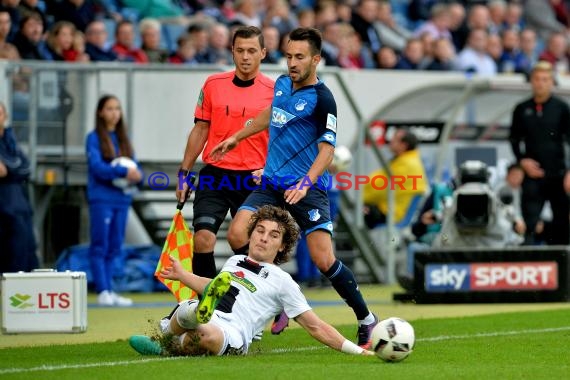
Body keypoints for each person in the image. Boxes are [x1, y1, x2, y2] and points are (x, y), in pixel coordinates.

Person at [209, 27, 378, 349]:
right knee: (237, 235)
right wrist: (237, 136)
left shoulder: (323, 99)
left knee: (323, 259)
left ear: (316, 59)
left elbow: (328, 150)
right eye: (288, 56)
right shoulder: (282, 84)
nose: (292, 63)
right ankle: (273, 296)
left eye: (299, 57)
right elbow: (271, 115)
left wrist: (304, 183)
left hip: (307, 188)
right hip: (273, 183)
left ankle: (366, 318)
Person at [128, 205, 375, 357]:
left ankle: (168, 340)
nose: (264, 238)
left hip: (234, 334)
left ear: (281, 247)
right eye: (260, 230)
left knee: (205, 335)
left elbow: (315, 326)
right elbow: (215, 288)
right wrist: (183, 275)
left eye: (273, 235)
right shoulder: (234, 261)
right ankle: (173, 334)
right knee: (192, 308)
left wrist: (357, 351)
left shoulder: (283, 281)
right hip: (212, 316)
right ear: (252, 233)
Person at [176, 25, 274, 280]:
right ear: (231, 51)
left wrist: (271, 170)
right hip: (215, 176)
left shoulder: (274, 92)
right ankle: (203, 306)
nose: (245, 56)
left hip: (253, 179)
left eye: (252, 50)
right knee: (203, 238)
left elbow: (281, 140)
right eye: (240, 50)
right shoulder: (213, 84)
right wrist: (184, 172)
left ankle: (268, 295)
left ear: (263, 53)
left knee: (243, 242)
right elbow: (200, 130)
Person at [86, 95, 143, 306]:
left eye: (117, 108)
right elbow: (97, 168)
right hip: (102, 199)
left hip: (122, 199)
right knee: (100, 245)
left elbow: (136, 168)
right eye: (109, 109)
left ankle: (110, 289)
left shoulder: (123, 138)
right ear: (101, 112)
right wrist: (122, 170)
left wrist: (139, 175)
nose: (114, 113)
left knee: (115, 246)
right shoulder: (93, 138)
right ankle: (102, 290)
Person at [509, 60, 570, 245]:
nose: (541, 83)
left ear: (551, 82)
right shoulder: (522, 109)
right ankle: (527, 265)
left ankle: (562, 267)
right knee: (529, 223)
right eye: (537, 79)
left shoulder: (561, 108)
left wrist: (569, 172)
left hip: (558, 175)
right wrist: (522, 162)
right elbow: (514, 139)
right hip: (532, 175)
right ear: (532, 81)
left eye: (545, 79)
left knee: (561, 224)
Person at [362, 128, 428, 229]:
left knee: (352, 216)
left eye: (394, 139)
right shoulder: (406, 161)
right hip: (390, 209)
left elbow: (379, 189)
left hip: (391, 213)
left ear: (404, 145)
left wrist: (360, 198)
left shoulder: (406, 164)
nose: (390, 141)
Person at [0, 101, 39, 274]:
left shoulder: (10, 139)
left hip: (19, 202)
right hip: (3, 205)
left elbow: (25, 166)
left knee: (25, 246)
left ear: (5, 116)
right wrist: (14, 170)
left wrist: (9, 170)